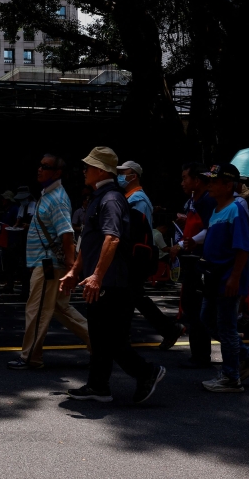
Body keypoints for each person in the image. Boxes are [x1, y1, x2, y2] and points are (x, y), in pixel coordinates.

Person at [62, 147, 165, 405]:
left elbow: (112, 238)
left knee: (111, 338)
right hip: (101, 280)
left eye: (88, 167)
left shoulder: (110, 199)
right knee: (99, 336)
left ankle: (147, 372)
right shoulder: (100, 196)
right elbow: (90, 240)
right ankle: (98, 386)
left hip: (112, 282)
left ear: (100, 170)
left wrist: (96, 275)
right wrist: (75, 270)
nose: (84, 171)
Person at [7, 154, 90, 370]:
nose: (40, 169)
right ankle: (101, 345)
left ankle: (30, 357)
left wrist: (71, 267)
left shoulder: (57, 199)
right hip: (49, 264)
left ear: (57, 173)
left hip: (49, 265)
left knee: (36, 310)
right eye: (40, 165)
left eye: (46, 166)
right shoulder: (48, 195)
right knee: (61, 309)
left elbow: (67, 234)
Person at [198, 164, 249, 393]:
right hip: (214, 276)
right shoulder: (218, 209)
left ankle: (230, 377)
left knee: (225, 327)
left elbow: (242, 248)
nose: (209, 185)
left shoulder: (235, 209)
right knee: (207, 319)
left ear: (228, 185)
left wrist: (234, 278)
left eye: (213, 182)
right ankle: (246, 357)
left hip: (227, 277)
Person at [117, 160, 183, 350]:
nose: (120, 176)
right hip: (135, 255)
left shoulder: (138, 199)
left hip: (135, 256)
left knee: (131, 295)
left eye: (124, 172)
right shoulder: (132, 197)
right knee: (132, 295)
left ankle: (167, 329)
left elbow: (135, 230)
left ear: (134, 176)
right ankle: (167, 329)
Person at [167, 163, 215, 369]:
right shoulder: (192, 201)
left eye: (185, 178)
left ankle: (202, 355)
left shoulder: (207, 201)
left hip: (200, 260)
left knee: (198, 308)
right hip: (190, 258)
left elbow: (210, 228)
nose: (182, 182)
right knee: (190, 306)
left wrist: (188, 242)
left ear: (197, 180)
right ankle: (198, 353)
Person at [2, 186, 35, 297]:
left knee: (31, 265)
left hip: (33, 238)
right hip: (22, 238)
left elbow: (37, 224)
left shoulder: (34, 206)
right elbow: (18, 220)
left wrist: (28, 226)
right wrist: (16, 226)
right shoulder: (22, 206)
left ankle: (30, 290)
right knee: (23, 264)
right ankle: (25, 290)